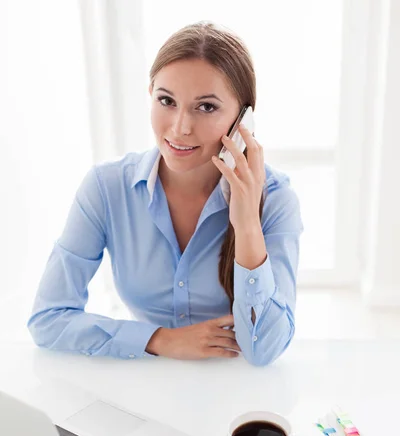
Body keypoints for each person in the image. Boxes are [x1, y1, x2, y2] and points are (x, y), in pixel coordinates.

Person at [27, 21, 303, 367]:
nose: (180, 128)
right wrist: (161, 340)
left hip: (232, 392)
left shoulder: (276, 201)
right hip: (144, 377)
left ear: (243, 120)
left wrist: (247, 225)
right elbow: (48, 319)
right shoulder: (106, 187)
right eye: (167, 100)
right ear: (151, 95)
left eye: (206, 107)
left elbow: (264, 350)